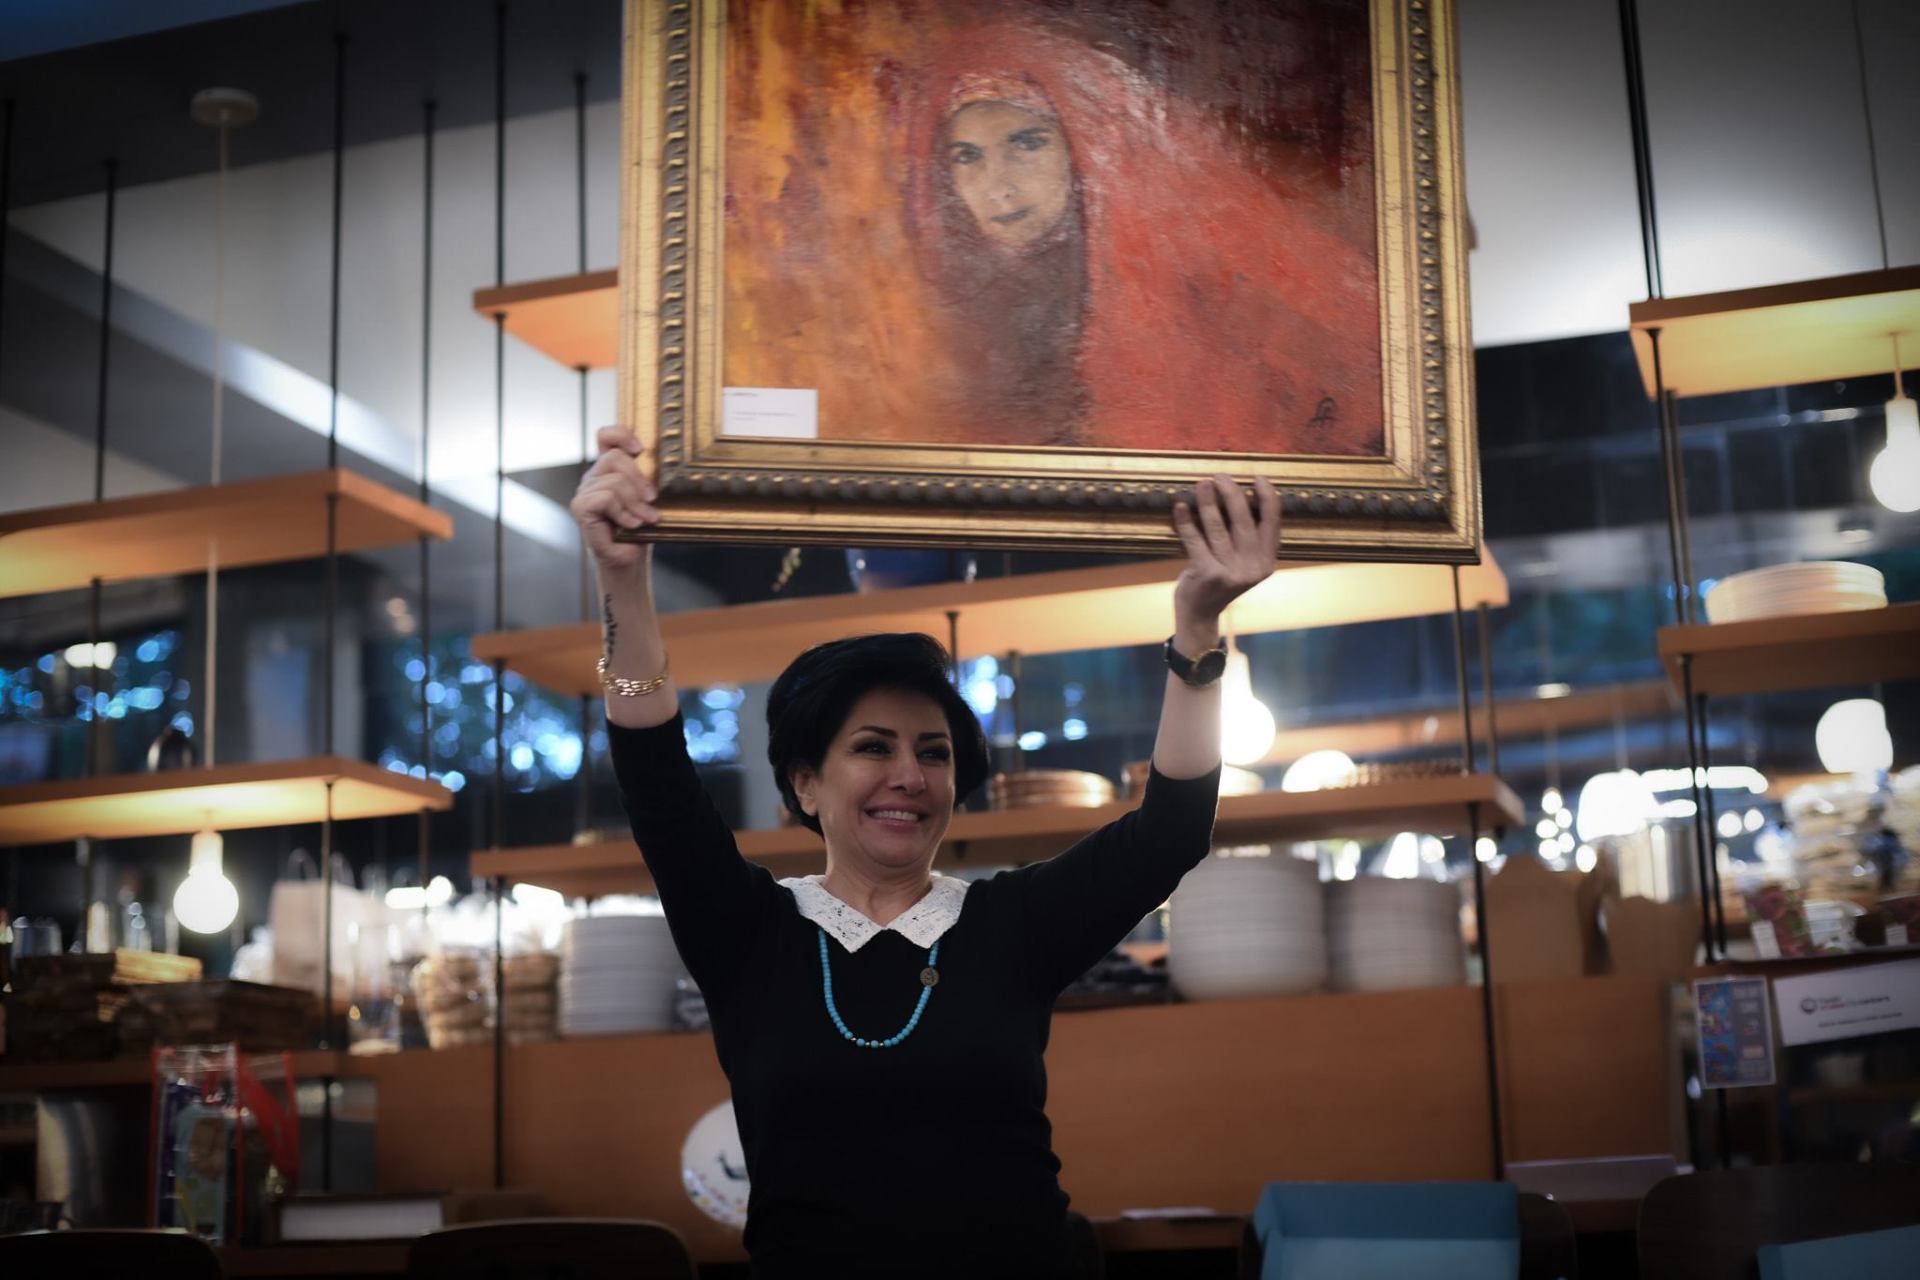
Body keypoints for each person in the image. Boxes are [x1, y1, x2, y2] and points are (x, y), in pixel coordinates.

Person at [571, 426, 1282, 1276]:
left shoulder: (1011, 924)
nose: (909, 775)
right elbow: (654, 775)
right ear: (805, 785)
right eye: (873, 747)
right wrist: (623, 580)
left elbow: (1170, 831)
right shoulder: (746, 930)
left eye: (934, 753)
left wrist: (1198, 629)